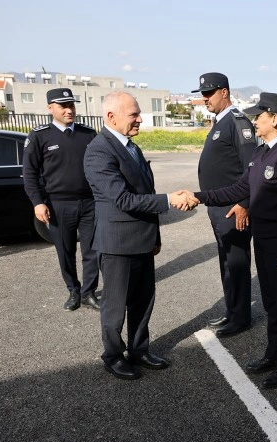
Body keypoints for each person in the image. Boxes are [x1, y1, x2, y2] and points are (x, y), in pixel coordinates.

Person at [194, 92, 277, 389]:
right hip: (264, 240)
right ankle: (272, 354)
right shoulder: (261, 153)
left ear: (274, 119)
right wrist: (198, 196)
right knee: (272, 302)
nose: (254, 120)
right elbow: (235, 190)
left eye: (259, 115)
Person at [83, 91, 197, 380]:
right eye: (133, 114)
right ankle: (112, 355)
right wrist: (169, 200)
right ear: (111, 116)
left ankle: (138, 349)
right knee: (115, 305)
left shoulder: (130, 147)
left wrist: (155, 236)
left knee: (143, 300)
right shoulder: (99, 150)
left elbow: (142, 191)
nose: (139, 119)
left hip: (142, 240)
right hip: (118, 243)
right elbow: (122, 199)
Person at [192, 72, 257, 338]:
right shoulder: (221, 121)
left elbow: (251, 167)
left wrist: (244, 203)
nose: (204, 99)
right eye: (202, 94)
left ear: (224, 92)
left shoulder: (238, 122)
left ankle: (241, 318)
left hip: (233, 207)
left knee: (237, 262)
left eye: (209, 93)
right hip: (219, 206)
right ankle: (233, 310)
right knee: (227, 261)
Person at [23, 88, 99, 311]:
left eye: (72, 105)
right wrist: (38, 202)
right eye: (63, 106)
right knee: (65, 251)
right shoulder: (40, 136)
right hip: (58, 205)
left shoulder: (88, 134)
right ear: (50, 108)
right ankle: (73, 291)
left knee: (92, 251)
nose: (69, 110)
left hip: (89, 203)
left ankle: (89, 293)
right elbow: (29, 173)